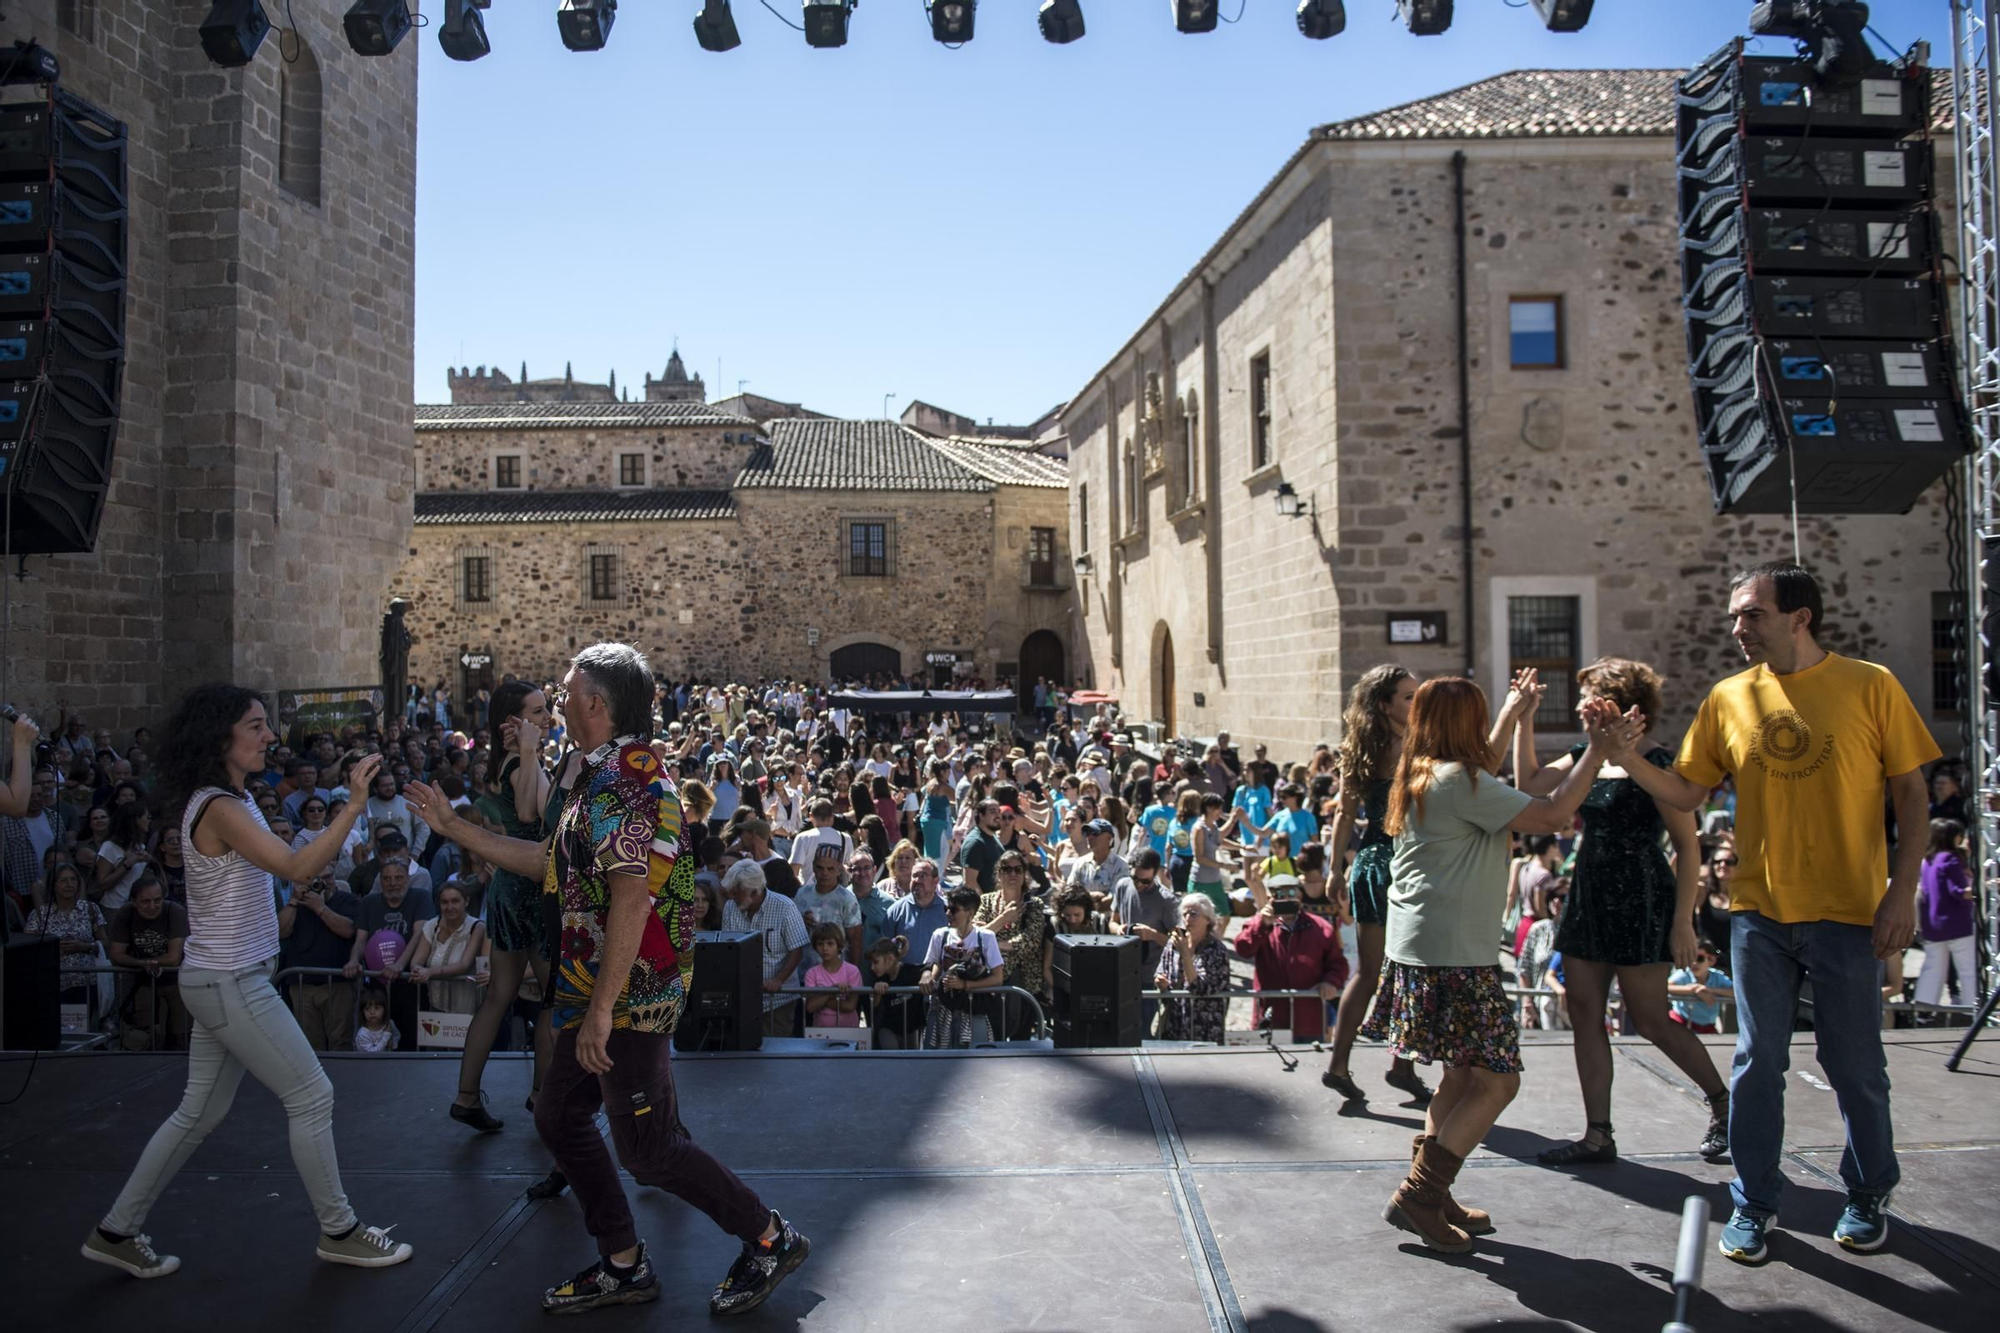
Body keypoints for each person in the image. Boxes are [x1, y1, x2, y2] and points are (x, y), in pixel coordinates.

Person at [407, 645, 808, 1315]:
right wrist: (452, 827)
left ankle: (768, 1236)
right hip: (595, 985)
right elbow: (547, 862)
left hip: (627, 995)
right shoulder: (592, 773)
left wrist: (599, 1013)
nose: (557, 700)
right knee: (560, 1113)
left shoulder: (623, 780)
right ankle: (623, 1261)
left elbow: (631, 898)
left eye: (566, 690)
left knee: (648, 1150)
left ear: (597, 703)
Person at [1598, 561, 1938, 1265]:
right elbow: (1688, 792)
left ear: (1799, 617)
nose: (1737, 628)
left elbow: (1911, 797)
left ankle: (1869, 1190)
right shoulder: (1728, 697)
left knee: (1856, 1065)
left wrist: (1900, 892)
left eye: (1751, 613)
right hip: (1758, 914)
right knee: (1757, 1064)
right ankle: (1753, 1201)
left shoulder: (1871, 685)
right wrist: (1625, 758)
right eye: (1734, 615)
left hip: (1849, 913)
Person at [84, 685, 410, 1280]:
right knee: (312, 1095)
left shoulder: (228, 800)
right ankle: (339, 1230)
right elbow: (295, 867)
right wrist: (353, 803)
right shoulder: (222, 807)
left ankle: (116, 1231)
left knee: (195, 1115)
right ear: (221, 738)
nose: (270, 736)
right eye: (256, 726)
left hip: (220, 981)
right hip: (232, 983)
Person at [1361, 676, 1625, 1253]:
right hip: (1453, 954)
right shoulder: (1461, 781)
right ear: (1465, 725)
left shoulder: (1424, 773)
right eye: (1480, 718)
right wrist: (1597, 754)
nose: (1485, 730)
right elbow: (1553, 814)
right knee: (1498, 1081)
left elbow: (1485, 768)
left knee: (1459, 1075)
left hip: (1422, 948)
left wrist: (1512, 712)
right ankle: (1421, 1196)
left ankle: (1432, 1191)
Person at [1514, 658, 1732, 1166]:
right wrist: (1524, 717)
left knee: (1653, 1018)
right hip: (1589, 891)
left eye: (1590, 694)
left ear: (1618, 703)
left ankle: (1723, 1104)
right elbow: (1529, 782)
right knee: (1585, 1013)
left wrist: (1683, 922)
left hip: (1642, 894)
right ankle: (1597, 1135)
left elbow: (1687, 845)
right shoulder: (1585, 753)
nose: (1581, 705)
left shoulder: (1663, 762)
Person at [1324, 665, 1435, 1106]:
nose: (1416, 703)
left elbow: (1344, 815)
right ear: (1385, 703)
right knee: (1412, 968)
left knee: (1370, 972)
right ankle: (1401, 1066)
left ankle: (1343, 1064)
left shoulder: (1362, 748)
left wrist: (1336, 869)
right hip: (1404, 863)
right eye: (1408, 697)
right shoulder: (1412, 747)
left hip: (1370, 862)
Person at [1233, 871, 1346, 1042]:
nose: (1285, 898)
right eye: (1279, 894)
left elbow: (1338, 963)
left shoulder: (1321, 927)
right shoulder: (1259, 924)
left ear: (1300, 895)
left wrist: (1330, 981)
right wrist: (1262, 925)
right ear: (1270, 897)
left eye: (1291, 893)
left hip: (1309, 1019)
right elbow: (1243, 949)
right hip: (1271, 1017)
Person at [279, 872, 362, 1052]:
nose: (323, 883)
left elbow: (349, 930)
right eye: (316, 879)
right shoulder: (298, 904)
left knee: (341, 1043)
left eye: (328, 877)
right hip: (302, 985)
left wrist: (321, 908)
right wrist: (294, 901)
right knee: (309, 1045)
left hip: (338, 984)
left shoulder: (347, 900)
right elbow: (282, 932)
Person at [975, 850, 1053, 1039]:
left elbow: (1031, 941)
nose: (1012, 874)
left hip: (1025, 984)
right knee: (994, 1038)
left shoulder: (1034, 904)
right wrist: (1003, 919)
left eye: (1018, 869)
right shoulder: (986, 902)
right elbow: (976, 936)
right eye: (1007, 869)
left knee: (1020, 1042)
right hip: (992, 982)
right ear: (999, 873)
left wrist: (993, 944)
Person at [919, 885, 1007, 1048]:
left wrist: (965, 985)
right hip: (942, 1010)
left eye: (953, 909)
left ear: (970, 913)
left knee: (976, 1061)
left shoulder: (986, 937)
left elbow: (997, 978)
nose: (948, 914)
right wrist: (928, 976)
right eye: (946, 908)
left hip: (974, 1012)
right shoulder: (940, 935)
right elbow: (932, 964)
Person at [110, 873, 190, 1050]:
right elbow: (116, 953)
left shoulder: (175, 912)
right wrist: (142, 964)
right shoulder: (126, 913)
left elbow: (173, 957)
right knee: (147, 1035)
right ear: (134, 901)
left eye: (157, 900)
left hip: (177, 982)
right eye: (145, 901)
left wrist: (144, 962)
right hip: (143, 982)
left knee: (180, 1033)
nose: (152, 906)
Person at [1154, 892, 1231, 1042]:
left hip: (1204, 1028)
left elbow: (1200, 988)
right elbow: (1161, 971)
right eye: (1185, 914)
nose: (1188, 918)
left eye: (1194, 914)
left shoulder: (1216, 950)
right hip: (1175, 1024)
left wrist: (1185, 955)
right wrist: (1161, 983)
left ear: (1208, 919)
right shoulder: (1174, 944)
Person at [1915, 819, 1975, 1009]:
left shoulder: (1926, 861)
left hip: (1932, 924)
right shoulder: (1951, 860)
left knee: (1932, 968)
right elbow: (1959, 891)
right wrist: (1980, 887)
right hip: (1958, 923)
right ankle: (1970, 1007)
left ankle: (1923, 1008)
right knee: (1968, 969)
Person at [406, 882, 487, 1016]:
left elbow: (463, 965)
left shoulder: (477, 927)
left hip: (465, 1006)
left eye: (455, 901)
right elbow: (417, 960)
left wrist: (429, 972)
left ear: (466, 902)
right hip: (436, 1003)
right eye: (444, 902)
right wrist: (417, 970)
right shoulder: (432, 925)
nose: (450, 907)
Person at [801, 922, 862, 1028]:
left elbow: (850, 1006)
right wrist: (832, 991)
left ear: (839, 945)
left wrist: (822, 1000)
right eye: (820, 944)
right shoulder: (811, 973)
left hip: (848, 1031)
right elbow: (810, 1007)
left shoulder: (852, 971)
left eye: (830, 943)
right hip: (821, 1032)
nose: (825, 948)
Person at [1668, 943, 1734, 1034]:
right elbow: (1666, 986)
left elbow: (1736, 992)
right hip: (1680, 1021)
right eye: (1690, 958)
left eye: (1699, 958)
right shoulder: (1683, 973)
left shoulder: (1718, 976)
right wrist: (1693, 990)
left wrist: (1709, 989)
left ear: (1711, 960)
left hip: (1707, 1026)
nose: (1694, 963)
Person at [354, 987, 398, 1053]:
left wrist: (393, 1043)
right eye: (368, 1009)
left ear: (384, 1009)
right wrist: (386, 1035)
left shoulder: (389, 1024)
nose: (372, 1012)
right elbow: (373, 1055)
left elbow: (397, 1035)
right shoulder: (362, 1034)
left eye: (377, 1008)